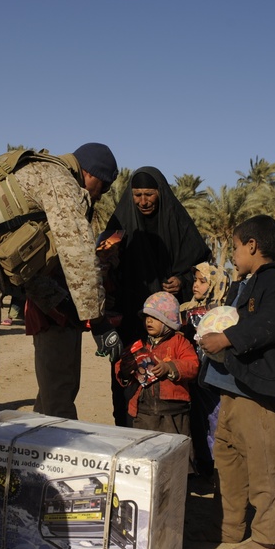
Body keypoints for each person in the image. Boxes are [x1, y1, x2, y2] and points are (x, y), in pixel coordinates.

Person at [0, 142, 118, 526]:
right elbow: (77, 252)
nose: (97, 197)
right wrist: (95, 318)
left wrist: (60, 304)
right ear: (94, 177)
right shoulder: (62, 180)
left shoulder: (28, 173)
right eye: (103, 189)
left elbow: (21, 263)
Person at [198, 214, 275, 549]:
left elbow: (270, 326)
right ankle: (228, 527)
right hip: (230, 391)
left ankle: (268, 540)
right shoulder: (243, 284)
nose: (233, 256)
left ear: (252, 246)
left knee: (264, 468)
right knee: (227, 463)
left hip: (256, 394)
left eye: (236, 248)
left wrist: (225, 337)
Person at [102, 166, 210, 426]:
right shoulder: (121, 222)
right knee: (128, 382)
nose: (143, 201)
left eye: (149, 194)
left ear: (160, 193)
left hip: (172, 326)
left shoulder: (178, 222)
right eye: (137, 195)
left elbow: (200, 265)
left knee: (172, 384)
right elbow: (106, 263)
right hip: (131, 320)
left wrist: (182, 281)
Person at [115, 291, 198, 436]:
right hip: (143, 413)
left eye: (154, 317)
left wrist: (169, 367)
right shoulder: (139, 344)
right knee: (144, 451)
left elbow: (192, 365)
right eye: (147, 317)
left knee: (174, 451)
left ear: (168, 320)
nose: (148, 321)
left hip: (173, 413)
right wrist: (125, 370)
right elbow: (122, 369)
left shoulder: (180, 343)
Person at [179, 261, 232, 481]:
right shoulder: (184, 309)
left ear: (216, 284)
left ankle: (213, 466)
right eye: (195, 281)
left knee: (215, 420)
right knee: (193, 420)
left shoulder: (224, 314)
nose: (196, 285)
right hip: (191, 374)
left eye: (203, 281)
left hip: (214, 377)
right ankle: (196, 463)